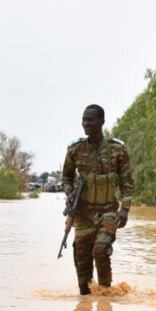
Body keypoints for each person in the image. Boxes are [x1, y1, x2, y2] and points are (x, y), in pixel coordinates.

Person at [61, 104, 135, 295]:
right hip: (83, 212)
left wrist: (125, 209)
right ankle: (84, 302)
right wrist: (69, 194)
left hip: (108, 211)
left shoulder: (117, 149)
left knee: (101, 251)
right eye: (84, 120)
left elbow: (127, 182)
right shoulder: (75, 149)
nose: (86, 124)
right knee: (82, 257)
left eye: (90, 120)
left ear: (101, 122)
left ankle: (105, 294)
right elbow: (66, 177)